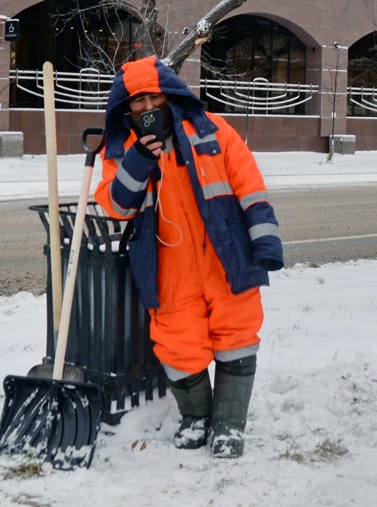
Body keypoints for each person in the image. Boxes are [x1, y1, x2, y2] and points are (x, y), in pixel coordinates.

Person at [95, 56, 284, 458]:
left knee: (237, 335)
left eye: (153, 97)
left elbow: (250, 187)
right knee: (178, 344)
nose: (147, 108)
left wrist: (265, 242)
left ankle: (229, 426)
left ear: (169, 94)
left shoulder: (212, 130)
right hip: (168, 267)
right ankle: (196, 418)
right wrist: (139, 160)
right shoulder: (120, 150)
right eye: (137, 102)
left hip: (226, 257)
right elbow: (114, 205)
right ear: (124, 108)